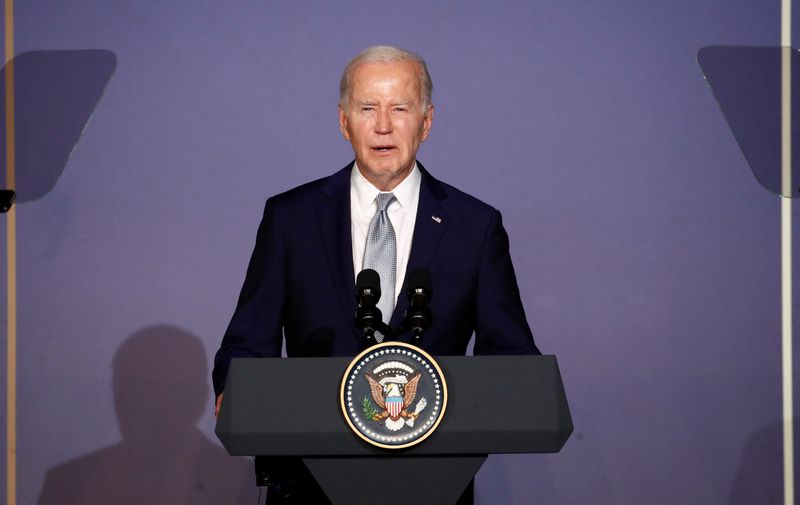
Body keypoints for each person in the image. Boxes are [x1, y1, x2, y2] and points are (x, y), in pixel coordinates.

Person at [212, 45, 539, 505]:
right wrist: (236, 387)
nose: (383, 126)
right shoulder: (291, 218)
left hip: (433, 484)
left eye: (400, 108)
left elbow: (510, 354)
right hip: (311, 485)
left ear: (425, 122)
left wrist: (510, 388)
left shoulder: (475, 226)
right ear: (345, 122)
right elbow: (248, 340)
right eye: (368, 108)